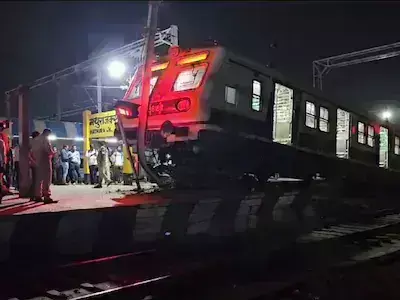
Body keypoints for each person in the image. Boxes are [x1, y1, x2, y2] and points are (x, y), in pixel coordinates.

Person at [30, 129, 56, 203]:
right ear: (48, 133)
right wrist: (53, 153)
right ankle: (46, 196)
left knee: (39, 179)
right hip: (45, 160)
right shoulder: (45, 139)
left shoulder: (35, 140)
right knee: (47, 179)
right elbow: (48, 150)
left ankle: (38, 195)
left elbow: (31, 151)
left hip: (37, 161)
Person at [29, 131, 40, 200]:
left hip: (34, 164)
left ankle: (33, 195)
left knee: (35, 180)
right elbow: (29, 155)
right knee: (36, 180)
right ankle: (35, 195)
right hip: (36, 164)